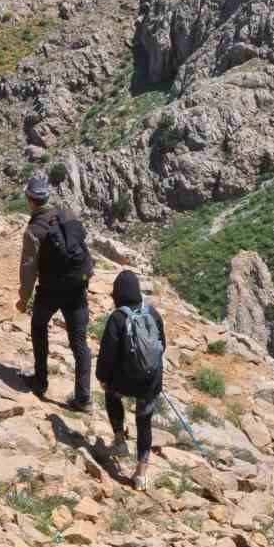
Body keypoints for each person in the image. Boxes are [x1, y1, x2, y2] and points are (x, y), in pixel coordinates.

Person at [16, 172, 93, 412]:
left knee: (39, 327)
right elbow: (81, 244)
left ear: (30, 200)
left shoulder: (34, 230)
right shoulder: (66, 213)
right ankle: (83, 398)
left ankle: (40, 381)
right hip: (77, 288)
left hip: (50, 290)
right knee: (79, 343)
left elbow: (29, 268)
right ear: (47, 196)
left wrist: (23, 298)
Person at [95, 269, 166, 489]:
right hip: (150, 381)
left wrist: (102, 377)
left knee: (111, 393)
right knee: (144, 421)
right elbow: (162, 345)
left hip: (123, 380)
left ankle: (119, 440)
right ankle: (141, 473)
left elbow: (107, 354)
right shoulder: (153, 314)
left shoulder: (118, 318)